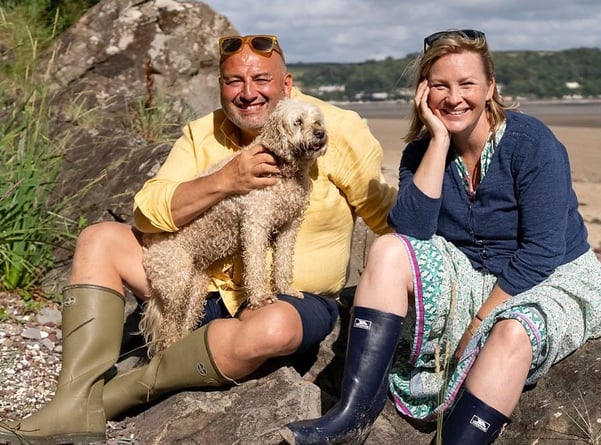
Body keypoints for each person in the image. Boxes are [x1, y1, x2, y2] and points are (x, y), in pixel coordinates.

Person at [0, 34, 396, 444]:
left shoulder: (336, 127)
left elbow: (382, 213)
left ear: (287, 84)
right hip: (198, 281)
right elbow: (147, 209)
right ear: (221, 86)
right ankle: (73, 400)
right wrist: (225, 180)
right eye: (233, 82)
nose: (247, 94)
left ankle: (117, 395)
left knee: (272, 327)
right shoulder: (201, 133)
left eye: (261, 79)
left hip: (290, 301)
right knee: (99, 238)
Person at [282, 29, 601, 445]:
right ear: (424, 92)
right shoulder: (421, 153)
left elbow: (543, 251)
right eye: (441, 85)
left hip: (550, 275)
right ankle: (352, 417)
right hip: (470, 271)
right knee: (390, 250)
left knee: (512, 330)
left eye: (467, 84)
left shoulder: (531, 142)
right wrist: (439, 140)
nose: (454, 97)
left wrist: (479, 323)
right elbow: (412, 232)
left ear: (490, 87)